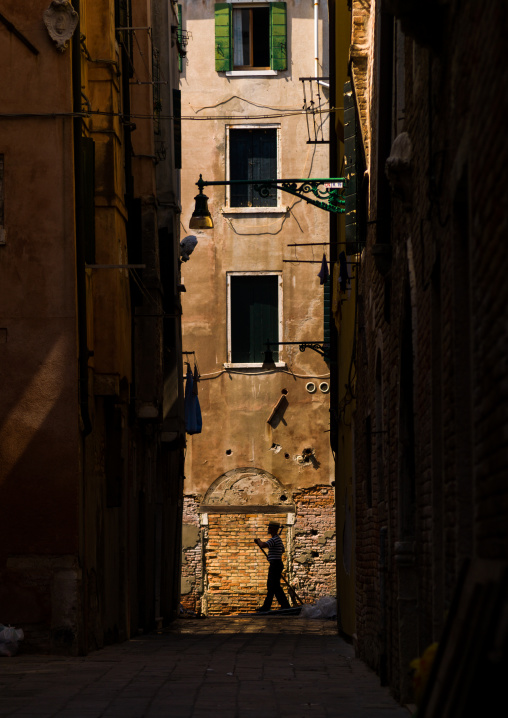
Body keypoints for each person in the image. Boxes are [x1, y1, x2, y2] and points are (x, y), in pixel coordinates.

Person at [254, 521, 291, 612]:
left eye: (269, 528)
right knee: (274, 587)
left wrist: (258, 540)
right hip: (277, 564)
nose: (268, 529)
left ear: (273, 529)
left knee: (272, 586)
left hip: (275, 565)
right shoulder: (278, 539)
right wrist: (273, 553)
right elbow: (282, 550)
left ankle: (268, 607)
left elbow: (263, 545)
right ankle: (284, 606)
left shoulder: (274, 539)